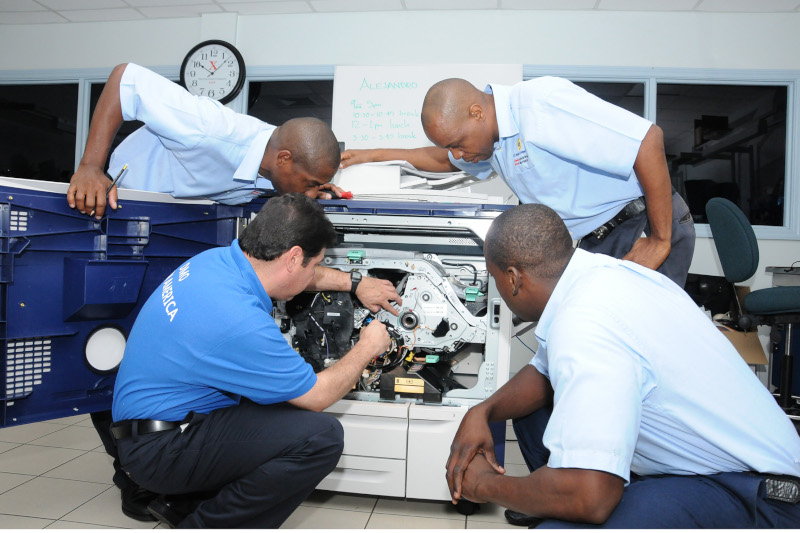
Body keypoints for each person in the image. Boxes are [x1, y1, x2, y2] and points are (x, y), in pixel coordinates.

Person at [444, 203, 800, 528]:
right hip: (716, 469)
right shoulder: (602, 275)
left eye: (495, 279)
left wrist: (485, 485)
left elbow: (591, 498)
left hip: (762, 499)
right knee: (530, 412)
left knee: (567, 521)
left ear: (513, 278)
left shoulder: (584, 322)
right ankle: (552, 496)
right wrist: (483, 411)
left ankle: (557, 498)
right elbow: (543, 372)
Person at [109, 193, 396, 528]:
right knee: (320, 436)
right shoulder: (236, 319)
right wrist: (367, 346)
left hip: (152, 425)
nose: (316, 271)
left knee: (275, 398)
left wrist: (356, 283)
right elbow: (317, 396)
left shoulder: (215, 262)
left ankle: (186, 502)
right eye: (316, 263)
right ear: (293, 258)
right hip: (161, 450)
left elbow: (298, 276)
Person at [339, 77, 695, 288]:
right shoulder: (491, 141)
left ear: (477, 112)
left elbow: (647, 139)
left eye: (458, 143)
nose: (458, 156)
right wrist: (367, 155)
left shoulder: (540, 105)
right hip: (595, 241)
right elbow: (438, 159)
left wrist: (661, 240)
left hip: (640, 226)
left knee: (636, 350)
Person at [68, 62, 344, 220]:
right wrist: (90, 166)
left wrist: (314, 185)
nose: (310, 194)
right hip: (126, 194)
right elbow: (125, 80)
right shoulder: (208, 127)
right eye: (309, 183)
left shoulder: (277, 159)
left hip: (178, 212)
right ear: (283, 159)